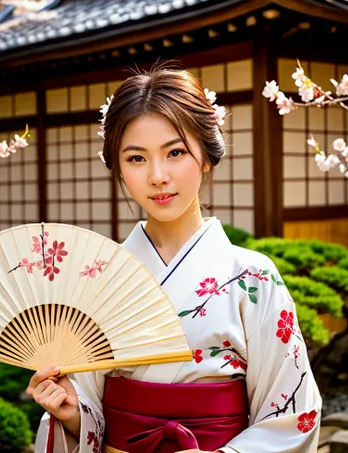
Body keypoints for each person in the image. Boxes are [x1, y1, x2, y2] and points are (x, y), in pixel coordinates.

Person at [28, 63, 322, 453]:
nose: (158, 176)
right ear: (117, 166)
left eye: (175, 152)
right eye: (136, 158)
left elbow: (291, 412)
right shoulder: (96, 279)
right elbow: (91, 409)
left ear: (205, 156)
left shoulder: (253, 278)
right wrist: (71, 414)